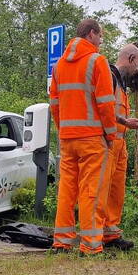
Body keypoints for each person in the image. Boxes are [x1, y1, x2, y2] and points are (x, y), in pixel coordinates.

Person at [49, 19, 118, 255]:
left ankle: (62, 241)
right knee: (92, 191)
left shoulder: (59, 66)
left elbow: (55, 104)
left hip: (68, 139)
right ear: (91, 34)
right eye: (100, 36)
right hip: (92, 139)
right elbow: (106, 104)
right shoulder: (97, 62)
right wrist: (111, 134)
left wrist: (62, 131)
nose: (101, 41)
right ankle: (90, 245)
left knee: (67, 190)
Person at [100, 44, 138, 251]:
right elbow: (104, 109)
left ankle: (111, 232)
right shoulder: (108, 76)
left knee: (116, 191)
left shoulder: (120, 80)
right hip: (107, 142)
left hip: (120, 143)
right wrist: (125, 122)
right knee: (103, 189)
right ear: (130, 58)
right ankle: (98, 233)